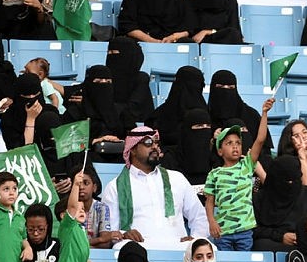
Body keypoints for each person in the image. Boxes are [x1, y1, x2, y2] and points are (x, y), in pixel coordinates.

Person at [103, 126, 210, 250]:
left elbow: (199, 216)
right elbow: (110, 230)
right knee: (121, 248)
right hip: (138, 246)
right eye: (148, 142)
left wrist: (195, 239)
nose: (154, 147)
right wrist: (124, 234)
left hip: (178, 245)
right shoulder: (115, 186)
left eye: (156, 142)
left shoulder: (177, 178)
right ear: (132, 149)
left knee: (209, 249)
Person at [205, 99, 274, 251]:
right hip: (223, 232)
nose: (235, 146)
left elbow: (260, 139)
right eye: (229, 143)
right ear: (220, 151)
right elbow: (209, 201)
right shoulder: (214, 174)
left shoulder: (247, 165)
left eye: (238, 142)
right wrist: (211, 221)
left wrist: (264, 113)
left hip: (245, 231)